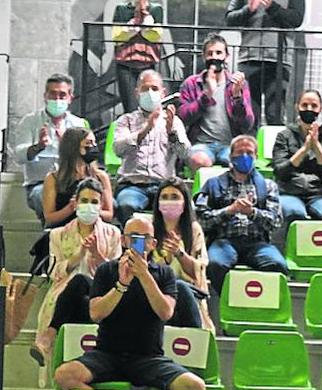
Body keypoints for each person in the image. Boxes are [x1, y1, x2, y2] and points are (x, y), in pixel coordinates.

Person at [53, 216, 206, 390]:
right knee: (64, 375)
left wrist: (144, 275)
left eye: (144, 238)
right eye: (133, 237)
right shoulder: (106, 271)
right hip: (106, 354)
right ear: (123, 240)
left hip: (149, 357)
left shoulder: (165, 274)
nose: (138, 243)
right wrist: (121, 285)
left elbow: (165, 312)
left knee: (195, 386)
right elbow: (96, 313)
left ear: (152, 243)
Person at [29, 178, 122, 365]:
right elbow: (54, 273)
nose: (89, 206)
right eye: (84, 201)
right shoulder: (57, 235)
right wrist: (78, 256)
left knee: (81, 281)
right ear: (75, 203)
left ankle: (48, 336)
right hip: (68, 298)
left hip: (103, 295)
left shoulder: (113, 234)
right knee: (77, 288)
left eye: (94, 202)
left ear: (101, 204)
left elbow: (117, 276)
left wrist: (97, 254)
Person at [198, 134, 286, 296]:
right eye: (239, 153)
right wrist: (230, 210)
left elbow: (275, 222)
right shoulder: (213, 184)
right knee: (215, 264)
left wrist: (252, 213)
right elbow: (201, 221)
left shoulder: (268, 186)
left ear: (256, 156)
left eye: (249, 153)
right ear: (231, 156)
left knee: (277, 265)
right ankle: (230, 300)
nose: (244, 156)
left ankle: (258, 305)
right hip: (224, 241)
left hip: (258, 243)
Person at [113, 70, 191, 225]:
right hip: (132, 184)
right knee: (125, 205)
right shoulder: (126, 120)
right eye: (145, 89)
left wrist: (171, 133)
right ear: (137, 93)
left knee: (182, 209)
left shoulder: (173, 121)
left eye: (154, 89)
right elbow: (118, 149)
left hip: (164, 186)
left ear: (163, 93)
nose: (149, 93)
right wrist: (145, 129)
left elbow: (185, 154)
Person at [11, 74, 90, 219]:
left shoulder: (78, 124)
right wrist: (39, 147)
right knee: (42, 197)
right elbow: (18, 155)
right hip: (39, 183)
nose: (57, 99)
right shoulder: (30, 121)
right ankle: (51, 232)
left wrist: (67, 146)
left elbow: (88, 156)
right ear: (45, 96)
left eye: (62, 95)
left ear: (70, 98)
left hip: (72, 183)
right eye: (52, 94)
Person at [178, 34, 256, 170]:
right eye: (210, 53)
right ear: (204, 57)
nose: (214, 57)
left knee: (241, 162)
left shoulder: (238, 84)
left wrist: (237, 97)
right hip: (201, 145)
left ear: (226, 56)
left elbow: (247, 123)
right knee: (199, 161)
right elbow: (184, 117)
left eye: (219, 53)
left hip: (229, 145)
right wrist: (206, 95)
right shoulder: (191, 83)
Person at [225, 0, 307, 127]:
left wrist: (272, 7)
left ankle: (276, 146)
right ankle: (248, 146)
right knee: (248, 113)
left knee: (275, 114)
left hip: (279, 59)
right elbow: (229, 19)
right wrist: (248, 9)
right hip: (248, 58)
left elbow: (296, 19)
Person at [272, 89, 322, 222]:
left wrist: (316, 146)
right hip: (289, 192)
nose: (309, 109)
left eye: (314, 106)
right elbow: (280, 171)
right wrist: (304, 149)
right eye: (304, 105)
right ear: (297, 106)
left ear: (320, 109)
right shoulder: (284, 136)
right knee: (295, 214)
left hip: (319, 195)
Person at [152, 180, 211, 330]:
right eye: (164, 197)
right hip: (156, 293)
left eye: (174, 197)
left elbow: (199, 271)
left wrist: (179, 253)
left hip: (187, 293)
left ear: (185, 203)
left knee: (180, 287)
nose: (169, 201)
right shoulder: (148, 229)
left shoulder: (193, 230)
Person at [41, 127, 114, 229]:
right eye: (88, 143)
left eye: (94, 143)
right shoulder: (53, 179)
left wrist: (91, 211)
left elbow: (109, 215)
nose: (93, 147)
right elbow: (49, 217)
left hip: (94, 230)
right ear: (74, 147)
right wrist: (71, 208)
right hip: (63, 231)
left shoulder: (101, 177)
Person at [111, 0, 166, 114]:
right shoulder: (121, 9)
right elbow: (117, 38)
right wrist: (134, 26)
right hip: (125, 63)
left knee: (149, 104)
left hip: (148, 63)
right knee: (130, 107)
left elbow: (156, 36)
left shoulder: (156, 9)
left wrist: (145, 22)